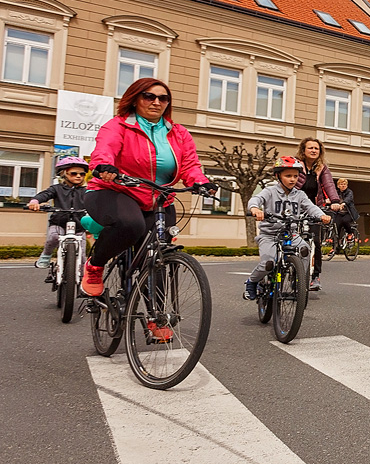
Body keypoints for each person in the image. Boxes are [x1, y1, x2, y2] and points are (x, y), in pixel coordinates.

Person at [81, 78, 217, 300]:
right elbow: (105, 149)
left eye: (163, 98)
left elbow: (190, 165)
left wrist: (200, 182)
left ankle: (157, 318)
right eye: (149, 96)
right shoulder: (118, 125)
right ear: (135, 99)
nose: (157, 102)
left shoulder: (179, 133)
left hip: (159, 199)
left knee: (158, 258)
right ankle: (95, 265)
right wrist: (105, 166)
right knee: (130, 225)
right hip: (115, 191)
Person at [244, 157, 332, 299]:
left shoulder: (300, 194)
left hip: (291, 234)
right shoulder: (270, 191)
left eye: (296, 176)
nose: (292, 179)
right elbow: (256, 199)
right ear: (278, 176)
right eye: (288, 176)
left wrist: (322, 216)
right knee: (269, 263)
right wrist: (255, 209)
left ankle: (299, 281)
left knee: (305, 249)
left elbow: (311, 208)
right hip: (270, 235)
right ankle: (252, 282)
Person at [28, 155, 89, 275]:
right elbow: (44, 195)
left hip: (79, 226)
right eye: (74, 173)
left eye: (82, 174)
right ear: (64, 174)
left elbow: (96, 200)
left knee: (82, 256)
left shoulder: (86, 191)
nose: (78, 176)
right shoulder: (56, 189)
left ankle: (81, 280)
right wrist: (35, 202)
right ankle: (46, 255)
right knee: (53, 237)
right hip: (59, 223)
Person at [296, 138, 342, 291]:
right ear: (303, 150)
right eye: (310, 148)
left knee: (315, 241)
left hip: (314, 208)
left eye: (316, 148)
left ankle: (315, 276)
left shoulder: (321, 168)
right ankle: (285, 267)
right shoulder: (295, 165)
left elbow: (328, 184)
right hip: (295, 207)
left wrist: (335, 200)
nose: (314, 150)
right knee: (288, 239)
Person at [333, 177, 359, 244]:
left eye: (344, 184)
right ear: (338, 186)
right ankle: (335, 247)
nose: (343, 185)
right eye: (341, 184)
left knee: (345, 221)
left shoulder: (349, 192)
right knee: (336, 227)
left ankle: (350, 233)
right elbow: (333, 199)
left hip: (349, 212)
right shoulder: (336, 193)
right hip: (339, 213)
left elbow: (349, 198)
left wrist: (344, 203)